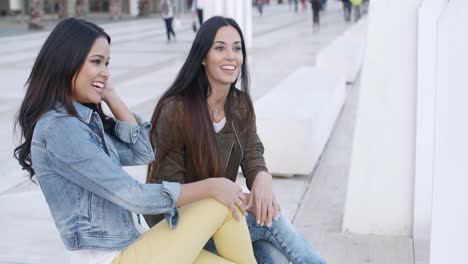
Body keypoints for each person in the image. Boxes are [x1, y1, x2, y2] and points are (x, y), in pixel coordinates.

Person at [13, 17, 257, 264]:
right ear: (66, 62)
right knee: (221, 199)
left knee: (227, 209)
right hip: (109, 258)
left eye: (107, 64)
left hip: (132, 245)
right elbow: (132, 196)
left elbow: (144, 151)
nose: (105, 73)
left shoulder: (83, 121)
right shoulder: (60, 129)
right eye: (96, 62)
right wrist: (210, 186)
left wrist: (110, 95)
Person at [144, 16, 327, 264]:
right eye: (220, 48)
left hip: (221, 219)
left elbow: (252, 151)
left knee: (274, 253)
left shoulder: (239, 104)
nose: (231, 56)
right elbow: (165, 192)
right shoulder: (176, 110)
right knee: (271, 222)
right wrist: (218, 189)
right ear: (202, 57)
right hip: (180, 227)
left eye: (237, 48)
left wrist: (262, 177)